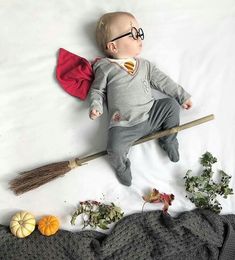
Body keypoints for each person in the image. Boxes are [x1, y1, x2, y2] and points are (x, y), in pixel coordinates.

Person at [88, 11, 192, 186]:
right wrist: (95, 106)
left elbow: (163, 81)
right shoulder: (105, 68)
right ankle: (122, 167)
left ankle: (168, 138)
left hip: (151, 113)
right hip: (124, 125)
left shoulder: (145, 65)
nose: (139, 38)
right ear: (113, 47)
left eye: (139, 32)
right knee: (114, 149)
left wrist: (181, 96)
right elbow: (97, 90)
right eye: (133, 34)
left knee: (171, 106)